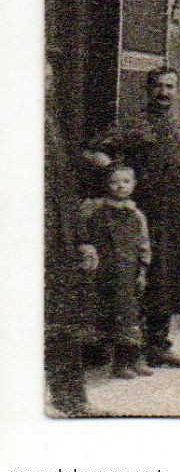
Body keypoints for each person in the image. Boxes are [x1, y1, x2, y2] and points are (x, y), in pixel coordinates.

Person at [87, 67, 180, 369]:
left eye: (170, 87)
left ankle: (159, 346)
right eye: (159, 86)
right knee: (141, 278)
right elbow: (94, 150)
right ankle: (128, 351)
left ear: (176, 90)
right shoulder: (132, 123)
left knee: (169, 275)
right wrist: (117, 174)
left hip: (175, 212)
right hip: (143, 213)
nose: (165, 92)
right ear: (149, 90)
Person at [44, 60, 90, 414]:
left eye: (47, 80)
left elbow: (65, 189)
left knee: (62, 321)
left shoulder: (51, 127)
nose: (42, 87)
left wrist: (81, 239)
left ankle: (71, 400)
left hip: (56, 240)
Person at [79, 165, 152, 379]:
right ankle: (117, 363)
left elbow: (144, 245)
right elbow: (85, 236)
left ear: (134, 184)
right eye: (115, 182)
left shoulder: (136, 215)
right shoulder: (95, 212)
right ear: (106, 184)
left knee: (131, 315)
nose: (121, 186)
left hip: (129, 273)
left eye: (126, 181)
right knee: (110, 315)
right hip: (105, 273)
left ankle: (134, 358)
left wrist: (142, 271)